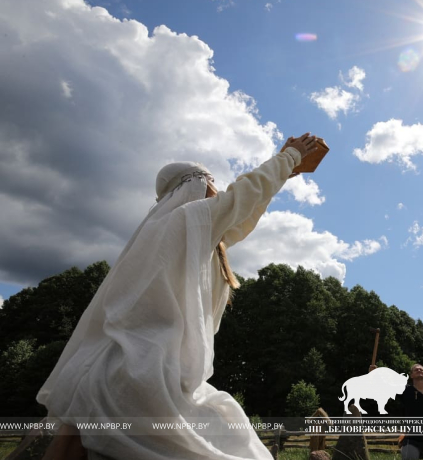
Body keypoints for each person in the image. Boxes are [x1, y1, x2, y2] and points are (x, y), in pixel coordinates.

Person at [35, 133, 319, 460]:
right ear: (193, 186)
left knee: (70, 448)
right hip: (142, 374)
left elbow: (240, 216)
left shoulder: (191, 236)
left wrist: (284, 172)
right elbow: (240, 198)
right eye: (211, 182)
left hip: (124, 368)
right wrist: (288, 158)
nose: (218, 189)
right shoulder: (184, 221)